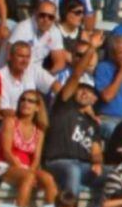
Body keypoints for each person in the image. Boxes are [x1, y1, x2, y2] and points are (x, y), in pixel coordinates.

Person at [42, 52, 104, 198]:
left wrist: (96, 162)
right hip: (58, 162)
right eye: (81, 89)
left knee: (114, 175)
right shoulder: (64, 105)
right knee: (73, 170)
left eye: (89, 92)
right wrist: (92, 48)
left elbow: (96, 151)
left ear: (94, 100)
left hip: (83, 166)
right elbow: (76, 74)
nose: (84, 94)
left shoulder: (93, 123)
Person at [0, 90, 58, 207]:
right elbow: (6, 152)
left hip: (27, 169)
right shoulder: (10, 122)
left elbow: (36, 159)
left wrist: (31, 171)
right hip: (6, 165)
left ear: (37, 107)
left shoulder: (40, 130)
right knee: (28, 177)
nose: (25, 103)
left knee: (48, 179)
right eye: (23, 100)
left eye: (30, 101)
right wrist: (27, 172)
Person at [0, 0, 68, 74]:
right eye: (42, 15)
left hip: (34, 74)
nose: (46, 19)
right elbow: (9, 57)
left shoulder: (54, 31)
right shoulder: (23, 28)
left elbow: (60, 62)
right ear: (35, 13)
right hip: (9, 72)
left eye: (50, 17)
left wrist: (48, 77)